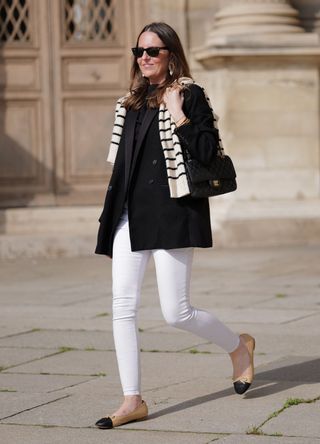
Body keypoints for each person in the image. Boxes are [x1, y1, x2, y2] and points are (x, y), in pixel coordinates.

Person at [94, 22, 255, 430]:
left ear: (171, 55)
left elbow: (206, 150)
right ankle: (132, 399)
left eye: (153, 51)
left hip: (173, 213)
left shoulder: (190, 93)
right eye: (139, 51)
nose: (144, 57)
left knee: (176, 312)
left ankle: (239, 348)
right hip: (129, 217)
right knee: (122, 308)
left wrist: (179, 112)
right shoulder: (128, 102)